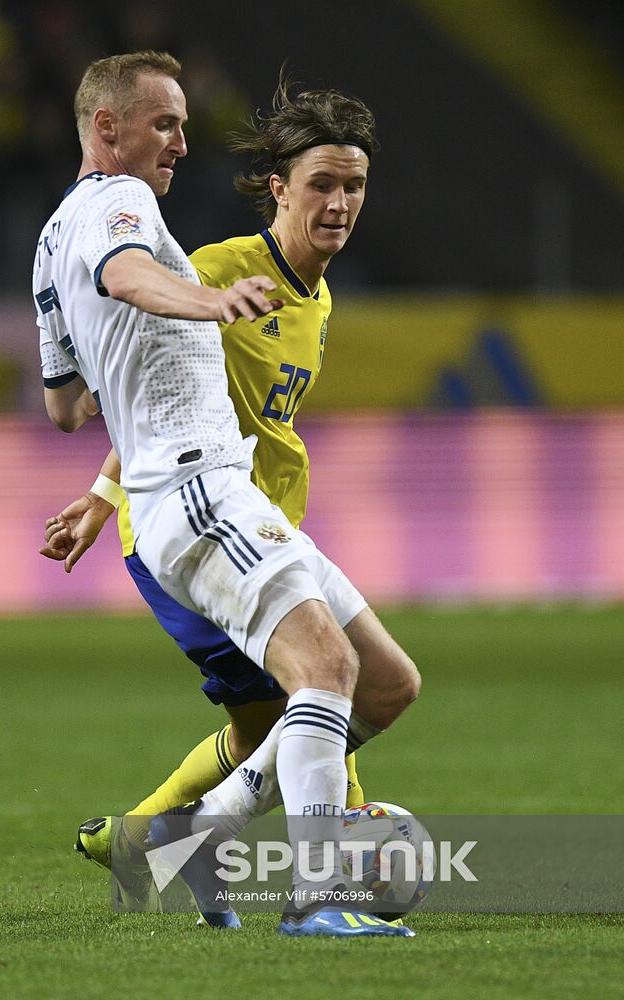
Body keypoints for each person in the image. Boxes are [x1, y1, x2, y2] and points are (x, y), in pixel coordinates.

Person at [35, 51, 419, 938]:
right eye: (323, 184)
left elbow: (71, 397)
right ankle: (312, 895)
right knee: (316, 685)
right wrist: (106, 487)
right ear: (279, 190)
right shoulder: (172, 241)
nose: (341, 205)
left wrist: (109, 410)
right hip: (198, 498)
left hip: (250, 509)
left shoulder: (58, 238)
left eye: (355, 187)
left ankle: (191, 837)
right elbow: (133, 287)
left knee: (384, 685)